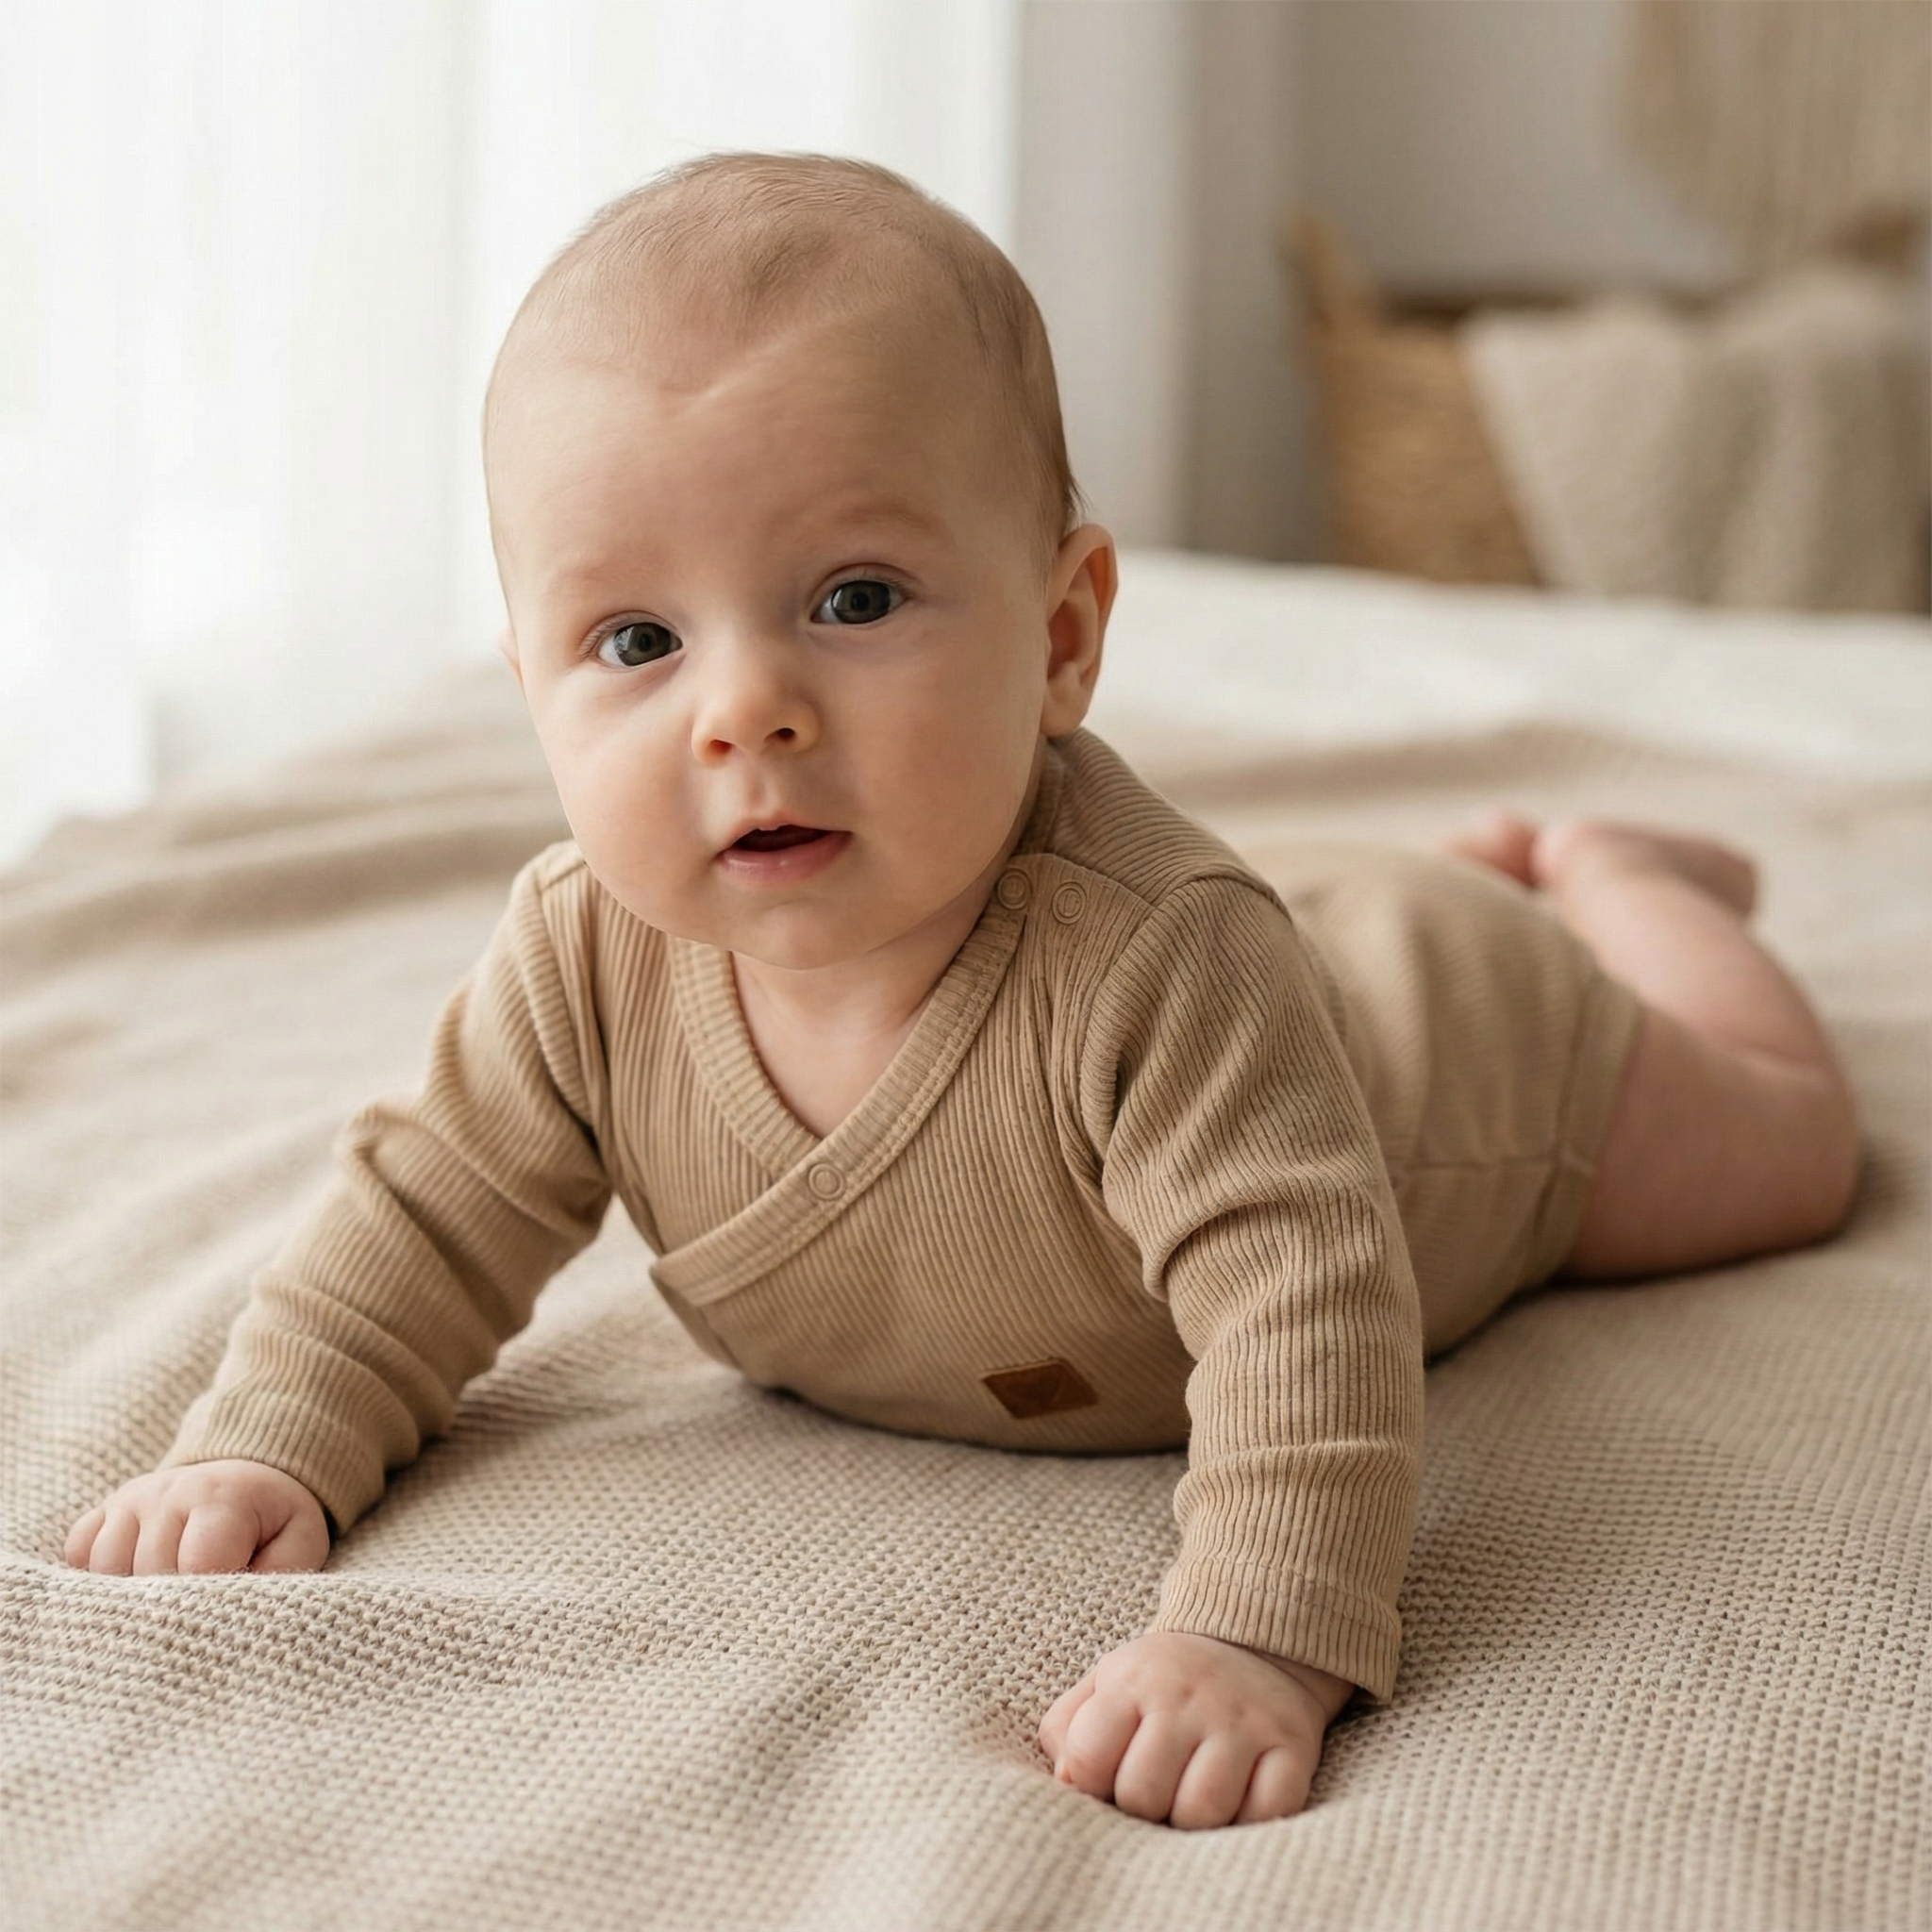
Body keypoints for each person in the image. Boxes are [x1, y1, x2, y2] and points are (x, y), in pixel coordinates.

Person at [63, 154, 1860, 1831]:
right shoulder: (584, 956)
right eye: (636, 641)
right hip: (1278, 958)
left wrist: (1256, 1634)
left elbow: (1305, 1309)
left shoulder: (1159, 967)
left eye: (854, 598)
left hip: (1446, 1064)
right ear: (528, 670)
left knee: (1789, 1150)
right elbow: (426, 1213)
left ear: (1064, 635)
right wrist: (272, 1441)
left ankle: (1614, 882)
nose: (741, 709)